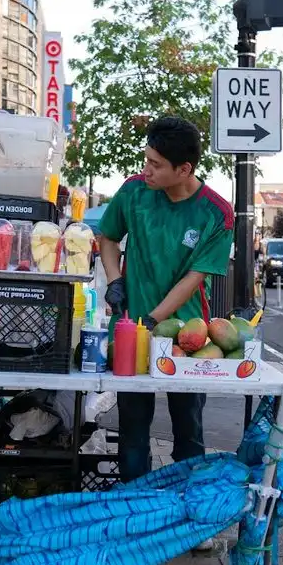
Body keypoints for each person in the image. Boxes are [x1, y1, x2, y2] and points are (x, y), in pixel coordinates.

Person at [97, 116, 233, 483]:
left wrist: (154, 320)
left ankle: (186, 503)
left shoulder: (216, 213)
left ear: (184, 169)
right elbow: (108, 238)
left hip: (187, 335)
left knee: (188, 428)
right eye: (146, 160)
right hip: (129, 329)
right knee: (132, 429)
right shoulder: (134, 192)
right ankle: (135, 502)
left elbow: (194, 278)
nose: (147, 170)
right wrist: (114, 281)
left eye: (156, 164)